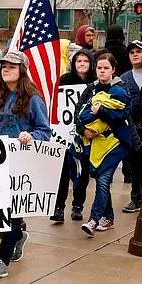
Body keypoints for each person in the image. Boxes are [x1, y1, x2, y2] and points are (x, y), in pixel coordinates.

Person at [0, 50, 50, 279]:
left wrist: (31, 137)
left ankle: (1, 260)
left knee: (10, 212)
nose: (6, 69)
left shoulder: (33, 99)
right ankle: (18, 236)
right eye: (3, 66)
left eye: (11, 66)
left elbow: (44, 131)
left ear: (22, 69)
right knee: (0, 210)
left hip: (20, 164)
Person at [73, 53, 135, 237]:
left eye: (106, 68)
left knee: (103, 180)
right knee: (101, 180)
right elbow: (79, 113)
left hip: (115, 144)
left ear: (113, 70)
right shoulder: (91, 90)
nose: (102, 71)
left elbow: (123, 114)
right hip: (93, 144)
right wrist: (83, 130)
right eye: (99, 67)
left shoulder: (121, 89)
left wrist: (102, 110)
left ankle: (93, 220)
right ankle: (108, 217)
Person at [52, 48, 95, 223]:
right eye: (79, 61)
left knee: (83, 171)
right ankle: (58, 207)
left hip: (86, 134)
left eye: (85, 61)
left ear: (90, 63)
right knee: (62, 171)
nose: (82, 64)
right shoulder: (65, 80)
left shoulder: (95, 82)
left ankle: (78, 205)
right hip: (65, 133)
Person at [119, 40, 142, 211]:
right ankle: (136, 198)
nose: (135, 54)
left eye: (139, 51)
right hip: (133, 129)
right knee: (135, 165)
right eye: (132, 52)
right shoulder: (124, 79)